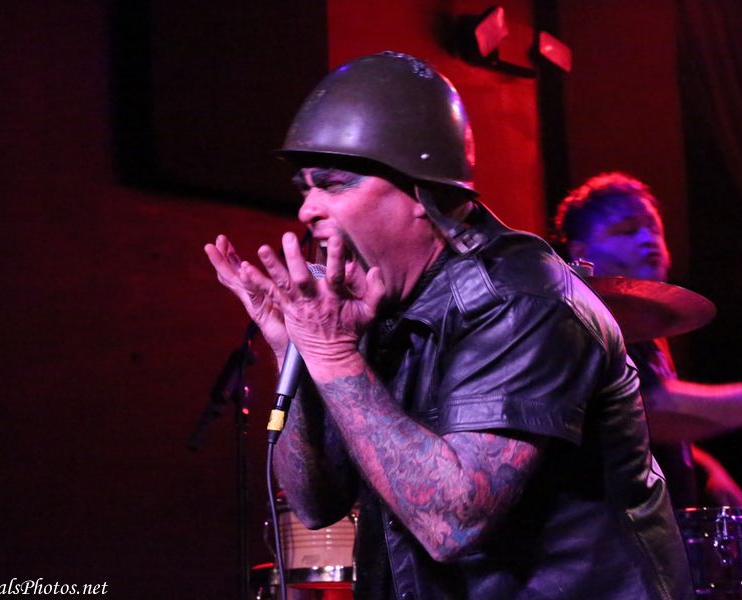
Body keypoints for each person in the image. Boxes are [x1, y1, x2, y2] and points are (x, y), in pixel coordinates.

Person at [205, 53, 693, 599]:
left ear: (422, 192)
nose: (307, 210)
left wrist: (334, 356)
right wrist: (292, 347)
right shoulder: (376, 303)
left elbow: (453, 521)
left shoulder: (524, 299)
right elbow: (316, 504)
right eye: (304, 188)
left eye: (334, 184)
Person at [555, 171, 742, 507]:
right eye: (627, 229)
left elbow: (620, 430)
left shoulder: (643, 331)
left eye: (653, 227)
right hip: (607, 534)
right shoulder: (580, 323)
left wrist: (704, 464)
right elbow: (646, 410)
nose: (647, 238)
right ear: (581, 252)